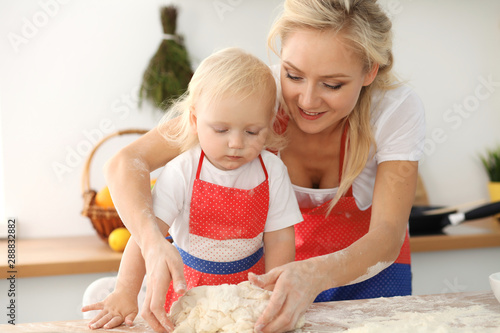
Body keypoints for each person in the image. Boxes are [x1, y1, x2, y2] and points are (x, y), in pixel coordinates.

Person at [101, 0, 426, 332]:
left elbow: (387, 235)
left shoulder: (395, 109)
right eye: (293, 75)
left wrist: (315, 273)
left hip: (371, 276)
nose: (308, 100)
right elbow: (127, 162)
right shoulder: (254, 98)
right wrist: (151, 242)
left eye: (332, 85)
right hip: (280, 278)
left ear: (370, 70)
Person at [81, 47, 303, 330]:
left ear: (269, 124)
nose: (236, 143)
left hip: (249, 290)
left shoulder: (272, 172)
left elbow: (280, 240)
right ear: (196, 121)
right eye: (221, 130)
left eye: (252, 131)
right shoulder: (181, 170)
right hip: (187, 292)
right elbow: (146, 237)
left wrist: (272, 294)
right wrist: (126, 290)